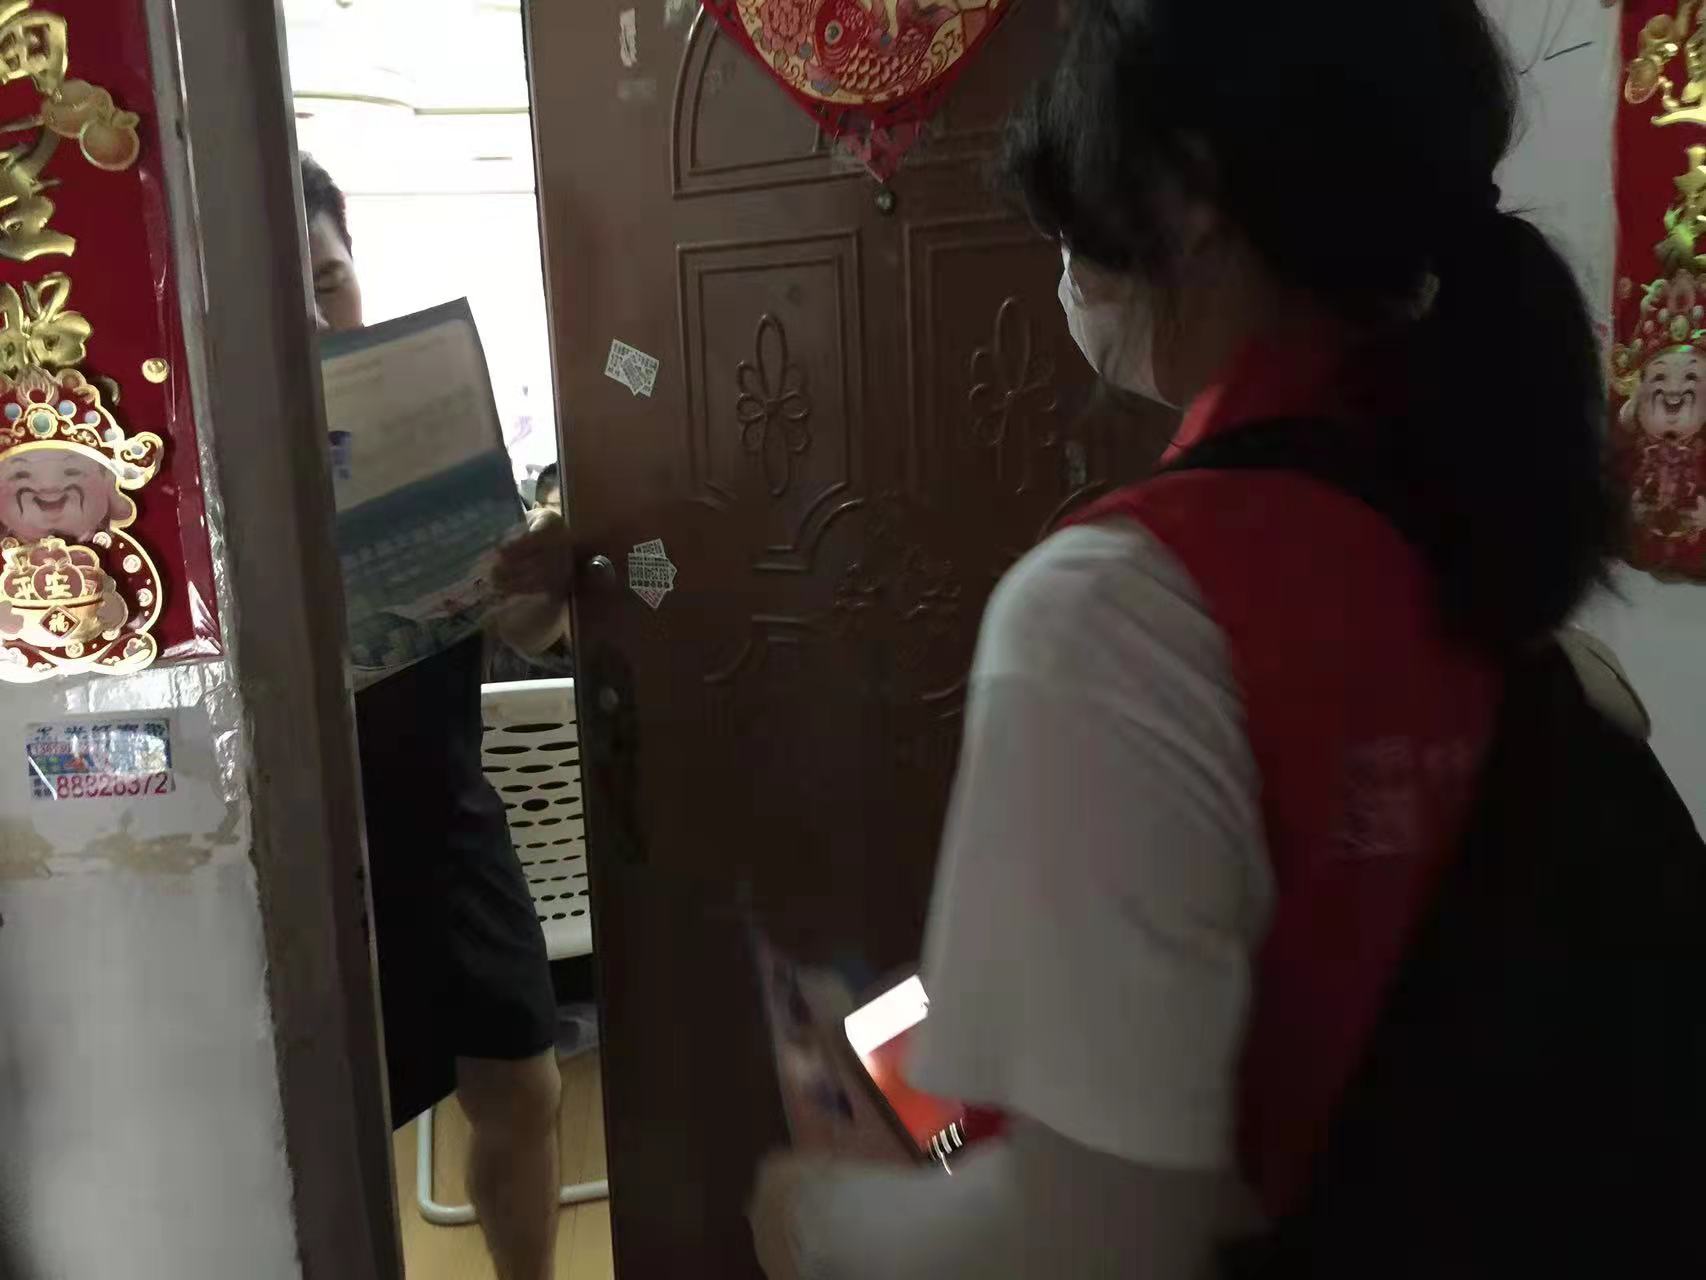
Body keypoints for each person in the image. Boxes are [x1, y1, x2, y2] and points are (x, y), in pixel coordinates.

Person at [749, 2, 1615, 1276]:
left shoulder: (1115, 613)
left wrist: (813, 1221)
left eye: (1076, 213)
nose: (1066, 269)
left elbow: (1093, 1244)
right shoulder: (1473, 539)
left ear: (1181, 193)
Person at [302, 154, 569, 1280]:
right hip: (314, 846)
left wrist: (543, 577)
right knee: (329, 1125)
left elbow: (531, 627)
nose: (318, 316)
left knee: (525, 1085)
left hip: (447, 813)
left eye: (329, 283)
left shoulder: (425, 423)